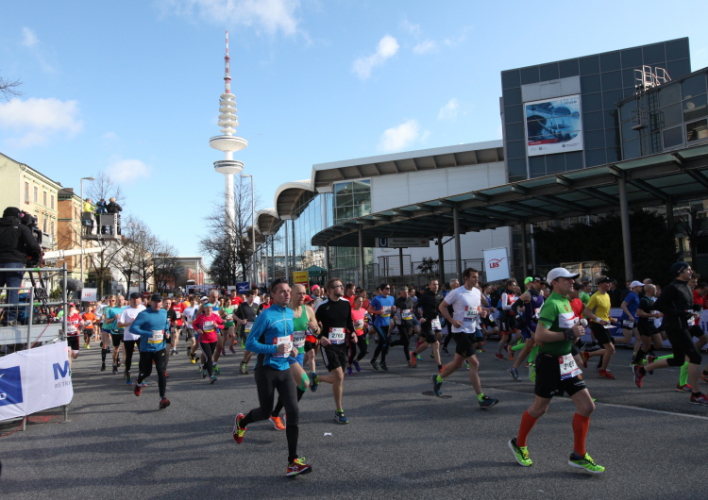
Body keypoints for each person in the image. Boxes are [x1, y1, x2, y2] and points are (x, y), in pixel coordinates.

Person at [508, 267, 604, 474]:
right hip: (550, 362)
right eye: (566, 279)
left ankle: (579, 455)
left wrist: (576, 331)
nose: (572, 282)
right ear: (555, 283)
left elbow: (568, 332)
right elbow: (540, 336)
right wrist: (569, 333)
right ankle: (519, 443)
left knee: (587, 406)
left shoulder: (566, 302)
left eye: (572, 279)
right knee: (540, 408)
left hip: (566, 360)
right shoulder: (552, 304)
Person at [232, 278, 312, 477]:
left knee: (293, 411)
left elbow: (287, 337)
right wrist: (275, 348)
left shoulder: (290, 313)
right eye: (282, 291)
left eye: (288, 291)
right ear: (273, 295)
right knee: (265, 411)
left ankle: (293, 462)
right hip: (266, 369)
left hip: (284, 368)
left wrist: (291, 347)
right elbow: (250, 344)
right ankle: (242, 423)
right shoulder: (265, 316)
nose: (287, 294)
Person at [634, 263, 708, 405]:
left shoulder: (686, 287)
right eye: (687, 269)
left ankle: (641, 370)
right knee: (696, 357)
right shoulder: (672, 287)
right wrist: (678, 313)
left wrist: (694, 308)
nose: (691, 271)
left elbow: (682, 306)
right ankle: (696, 394)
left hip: (683, 325)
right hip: (674, 326)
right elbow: (658, 305)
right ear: (680, 272)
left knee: (679, 360)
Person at [433, 268, 499, 409]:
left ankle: (437, 378)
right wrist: (452, 320)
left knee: (458, 364)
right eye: (474, 277)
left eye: (477, 277)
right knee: (474, 363)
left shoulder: (477, 292)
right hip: (460, 331)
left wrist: (481, 313)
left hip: (471, 330)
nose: (477, 279)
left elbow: (476, 308)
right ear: (466, 278)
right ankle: (481, 398)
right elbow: (442, 306)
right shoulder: (457, 292)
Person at [270, 284, 318, 429]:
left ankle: (276, 414)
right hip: (286, 354)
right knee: (305, 382)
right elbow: (275, 333)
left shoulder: (308, 310)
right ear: (291, 294)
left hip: (300, 353)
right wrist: (288, 346)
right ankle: (288, 411)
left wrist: (315, 328)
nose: (302, 296)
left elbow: (317, 330)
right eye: (299, 293)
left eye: (304, 293)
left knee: (292, 387)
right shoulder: (285, 312)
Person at [312, 278, 356, 424]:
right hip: (328, 345)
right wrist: (320, 337)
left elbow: (348, 320)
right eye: (339, 286)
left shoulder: (346, 303)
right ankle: (339, 411)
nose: (342, 288)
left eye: (342, 285)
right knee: (338, 376)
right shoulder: (322, 306)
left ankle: (317, 378)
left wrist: (353, 332)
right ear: (331, 289)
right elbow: (311, 325)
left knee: (339, 378)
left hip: (342, 345)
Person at [0, 207, 42, 327]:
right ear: (17, 216)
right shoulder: (21, 227)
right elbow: (33, 244)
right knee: (12, 291)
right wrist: (36, 255)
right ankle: (10, 319)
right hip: (14, 262)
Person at [129, 294, 171, 409]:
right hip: (146, 348)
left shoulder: (164, 312)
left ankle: (162, 398)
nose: (157, 304)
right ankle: (139, 382)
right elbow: (133, 328)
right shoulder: (144, 314)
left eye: (159, 301)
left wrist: (167, 332)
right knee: (146, 372)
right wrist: (148, 333)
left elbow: (165, 325)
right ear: (150, 302)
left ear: (161, 303)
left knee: (161, 371)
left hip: (160, 347)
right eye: (155, 301)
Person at [508, 276, 545, 381]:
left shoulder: (541, 293)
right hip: (530, 322)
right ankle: (535, 366)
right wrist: (517, 316)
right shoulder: (528, 294)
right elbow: (514, 306)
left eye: (543, 283)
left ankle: (514, 368)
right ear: (534, 282)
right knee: (541, 342)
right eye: (540, 283)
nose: (542, 285)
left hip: (538, 321)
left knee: (529, 347)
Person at [584, 277, 619, 379]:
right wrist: (600, 320)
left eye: (610, 282)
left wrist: (610, 318)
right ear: (600, 284)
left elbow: (604, 312)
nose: (609, 284)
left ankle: (588, 355)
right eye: (607, 283)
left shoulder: (607, 295)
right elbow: (587, 312)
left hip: (605, 325)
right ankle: (602, 370)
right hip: (597, 325)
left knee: (611, 350)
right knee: (610, 349)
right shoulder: (595, 297)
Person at [411, 278, 443, 371]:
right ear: (429, 286)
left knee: (429, 343)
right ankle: (440, 367)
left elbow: (443, 306)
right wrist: (419, 317)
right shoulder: (425, 296)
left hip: (436, 321)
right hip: (427, 322)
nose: (436, 286)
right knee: (436, 343)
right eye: (434, 284)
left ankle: (414, 354)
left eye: (437, 284)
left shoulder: (440, 295)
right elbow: (415, 307)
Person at [117, 292, 146, 385]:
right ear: (130, 300)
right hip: (129, 336)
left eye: (137, 298)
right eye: (133, 299)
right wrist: (130, 324)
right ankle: (128, 373)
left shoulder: (143, 308)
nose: (135, 300)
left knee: (143, 355)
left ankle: (141, 376)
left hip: (140, 335)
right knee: (129, 356)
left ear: (140, 300)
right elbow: (119, 324)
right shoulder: (126, 310)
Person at [192, 302, 224, 383]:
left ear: (212, 309)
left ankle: (204, 367)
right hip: (203, 340)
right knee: (209, 357)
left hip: (213, 340)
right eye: (207, 308)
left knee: (209, 357)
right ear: (204, 309)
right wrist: (198, 330)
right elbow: (194, 324)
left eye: (210, 308)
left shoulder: (215, 316)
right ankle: (211, 376)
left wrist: (218, 326)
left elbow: (223, 325)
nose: (209, 309)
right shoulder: (200, 317)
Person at [368, 283, 396, 371]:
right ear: (382, 290)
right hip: (378, 324)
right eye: (387, 288)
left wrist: (393, 311)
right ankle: (382, 361)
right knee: (386, 342)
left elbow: (390, 310)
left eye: (389, 288)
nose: (388, 290)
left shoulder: (391, 298)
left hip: (386, 324)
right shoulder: (376, 299)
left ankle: (373, 360)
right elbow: (369, 309)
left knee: (381, 344)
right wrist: (378, 312)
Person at [236, 290, 260, 374]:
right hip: (245, 330)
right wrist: (240, 321)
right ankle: (244, 363)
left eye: (253, 297)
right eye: (250, 297)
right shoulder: (242, 306)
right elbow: (234, 315)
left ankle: (244, 363)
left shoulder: (256, 306)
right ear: (247, 297)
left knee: (251, 349)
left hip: (253, 329)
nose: (252, 298)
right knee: (249, 347)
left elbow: (259, 316)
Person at [347, 295, 368, 375]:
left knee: (364, 350)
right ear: (354, 302)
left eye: (362, 301)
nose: (360, 303)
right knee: (353, 352)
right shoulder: (351, 311)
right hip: (352, 333)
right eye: (359, 301)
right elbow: (347, 322)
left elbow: (364, 320)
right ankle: (349, 366)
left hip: (361, 333)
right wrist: (353, 324)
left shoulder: (363, 310)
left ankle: (356, 361)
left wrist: (365, 324)